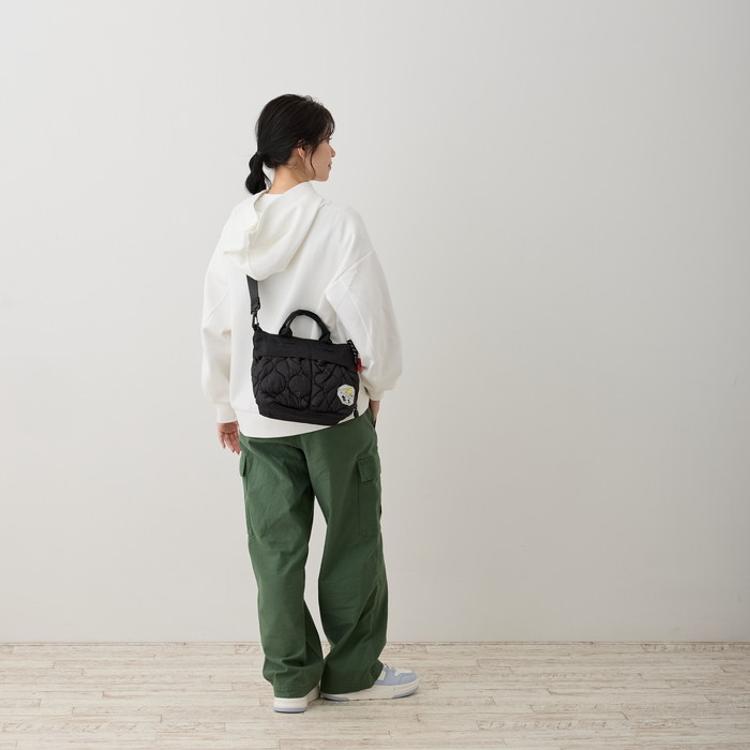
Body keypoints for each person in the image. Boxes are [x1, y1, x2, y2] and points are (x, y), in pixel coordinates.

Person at [199, 94, 419, 713]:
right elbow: (371, 320)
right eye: (326, 141)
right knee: (352, 540)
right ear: (301, 151)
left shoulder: (237, 228)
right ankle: (351, 673)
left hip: (259, 413)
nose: (333, 152)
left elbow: (216, 321)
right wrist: (377, 387)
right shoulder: (338, 224)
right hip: (334, 415)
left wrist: (223, 405)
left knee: (274, 552)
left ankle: (292, 682)